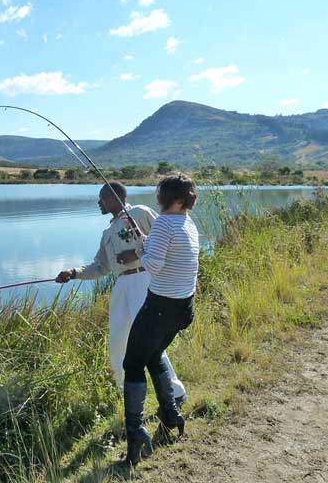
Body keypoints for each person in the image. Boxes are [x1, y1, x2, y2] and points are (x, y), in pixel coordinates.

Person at [55, 182, 186, 405]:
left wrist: (134, 255)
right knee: (118, 340)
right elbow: (100, 267)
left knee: (149, 339)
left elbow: (165, 239)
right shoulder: (107, 233)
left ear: (115, 197)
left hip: (144, 280)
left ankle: (175, 392)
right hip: (121, 286)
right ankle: (127, 390)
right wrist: (73, 273)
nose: (99, 203)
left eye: (102, 198)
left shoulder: (140, 213)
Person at [120, 173, 200, 465]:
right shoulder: (188, 223)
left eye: (161, 194)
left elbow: (153, 264)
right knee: (154, 357)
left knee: (132, 364)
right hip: (183, 308)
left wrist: (143, 247)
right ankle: (170, 414)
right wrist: (148, 243)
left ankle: (136, 433)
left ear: (173, 199)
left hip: (159, 308)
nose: (159, 198)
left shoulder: (165, 222)